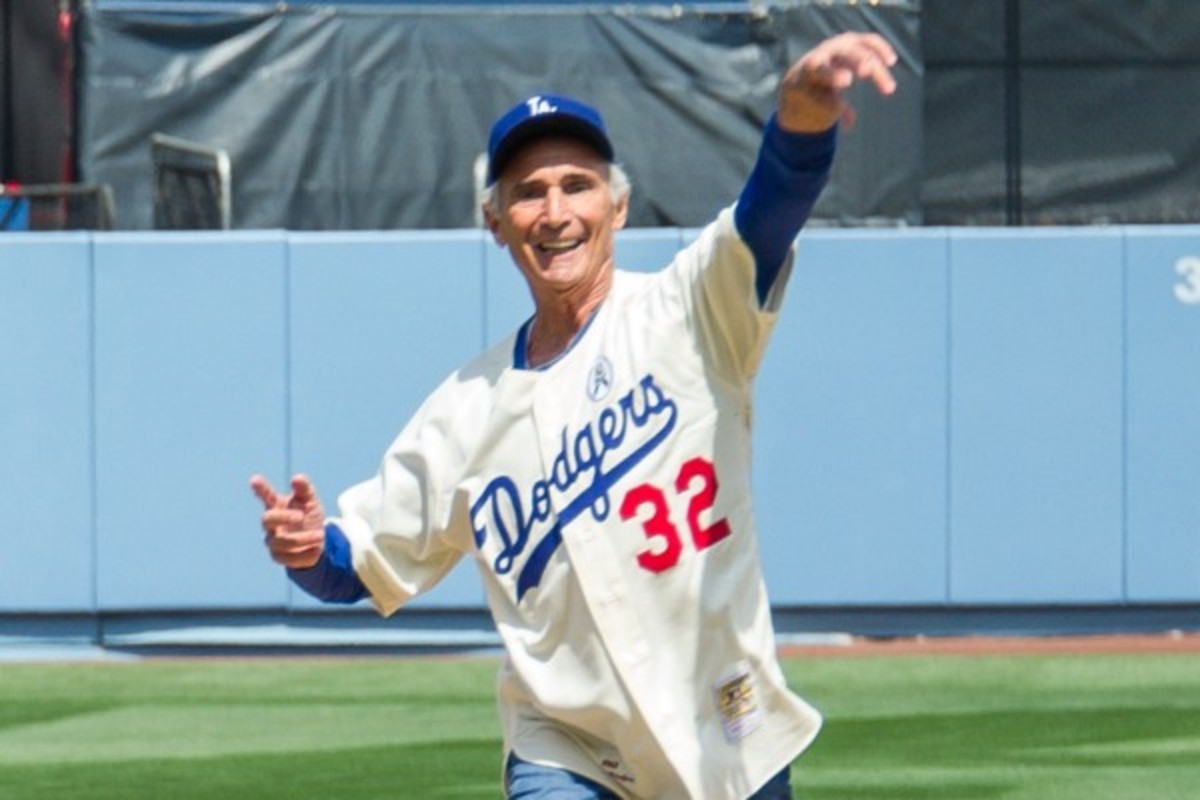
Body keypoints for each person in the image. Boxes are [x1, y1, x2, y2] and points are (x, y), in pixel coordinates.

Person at [251, 31, 897, 800]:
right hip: (568, 744)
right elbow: (355, 562)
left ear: (617, 205)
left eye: (576, 185)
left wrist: (801, 112)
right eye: (527, 191)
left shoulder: (690, 312)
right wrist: (302, 548)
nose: (554, 211)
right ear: (496, 223)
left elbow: (770, 209)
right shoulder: (466, 409)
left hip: (726, 720)